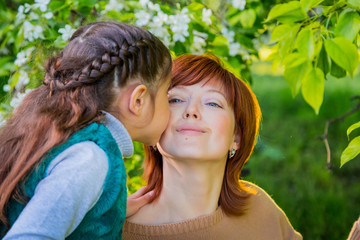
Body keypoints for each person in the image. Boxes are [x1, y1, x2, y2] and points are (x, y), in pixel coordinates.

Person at [0, 21, 171, 239]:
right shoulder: (90, 159)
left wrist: (104, 213)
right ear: (138, 100)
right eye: (167, 94)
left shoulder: (66, 139)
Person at [123, 54, 302, 239]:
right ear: (154, 125)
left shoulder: (259, 210)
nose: (191, 111)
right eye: (175, 100)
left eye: (212, 103)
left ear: (236, 137)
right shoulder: (112, 230)